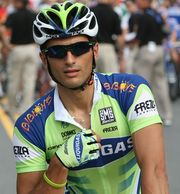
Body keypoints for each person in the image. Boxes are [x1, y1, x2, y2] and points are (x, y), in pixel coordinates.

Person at [12, 1, 170, 194]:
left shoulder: (131, 92)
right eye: (57, 51)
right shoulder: (29, 127)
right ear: (44, 59)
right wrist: (59, 165)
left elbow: (154, 173)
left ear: (95, 50)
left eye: (79, 48)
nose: (70, 60)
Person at [129, 0, 173, 126]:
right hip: (159, 49)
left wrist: (132, 47)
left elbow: (139, 36)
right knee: (161, 83)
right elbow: (166, 31)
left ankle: (145, 116)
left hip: (147, 50)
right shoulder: (157, 14)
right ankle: (167, 115)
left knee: (142, 84)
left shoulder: (143, 16)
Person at [2, 0, 38, 115]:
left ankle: (11, 107)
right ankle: (27, 108)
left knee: (14, 80)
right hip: (32, 48)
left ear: (19, 3)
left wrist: (7, 44)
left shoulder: (13, 15)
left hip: (17, 49)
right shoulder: (33, 14)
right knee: (29, 80)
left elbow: (2, 29)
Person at [90, 0, 124, 73]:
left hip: (92, 47)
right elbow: (119, 36)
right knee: (110, 79)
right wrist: (120, 54)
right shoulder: (113, 13)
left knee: (92, 78)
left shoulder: (90, 12)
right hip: (107, 48)